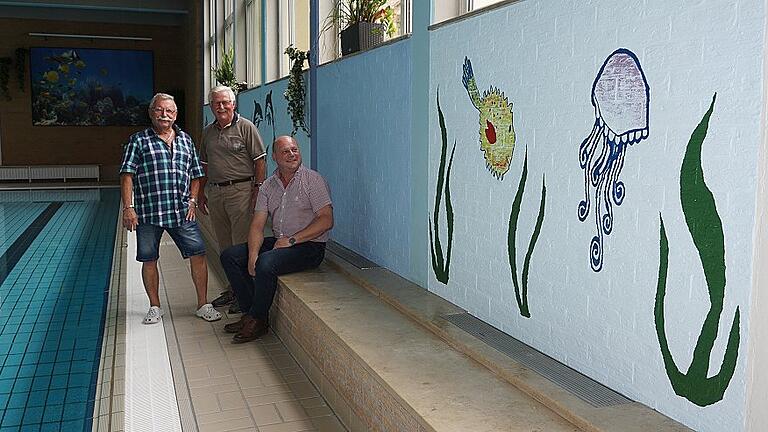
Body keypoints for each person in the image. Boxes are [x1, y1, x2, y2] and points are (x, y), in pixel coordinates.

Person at [120, 93, 222, 324]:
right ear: (151, 112)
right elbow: (127, 175)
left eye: (170, 111)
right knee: (149, 258)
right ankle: (155, 307)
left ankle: (203, 304)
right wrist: (129, 207)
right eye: (159, 110)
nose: (165, 115)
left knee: (198, 254)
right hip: (148, 213)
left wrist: (193, 200)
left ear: (175, 114)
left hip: (181, 212)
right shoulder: (138, 141)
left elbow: (196, 174)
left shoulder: (186, 140)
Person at [220, 136, 333, 343]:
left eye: (295, 150)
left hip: (309, 247)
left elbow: (326, 220)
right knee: (230, 256)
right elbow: (257, 224)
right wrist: (252, 254)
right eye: (285, 151)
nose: (292, 155)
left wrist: (292, 240)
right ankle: (249, 313)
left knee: (267, 262)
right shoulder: (268, 186)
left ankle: (258, 319)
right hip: (282, 241)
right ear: (274, 157)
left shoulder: (313, 180)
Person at [199, 85, 267, 312]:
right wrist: (201, 193)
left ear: (233, 104)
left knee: (241, 245)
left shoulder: (246, 127)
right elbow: (204, 165)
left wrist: (257, 189)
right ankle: (233, 288)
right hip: (216, 193)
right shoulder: (208, 132)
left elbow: (260, 161)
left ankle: (244, 291)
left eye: (225, 102)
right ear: (211, 106)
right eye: (216, 103)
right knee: (224, 245)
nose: (221, 107)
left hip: (241, 192)